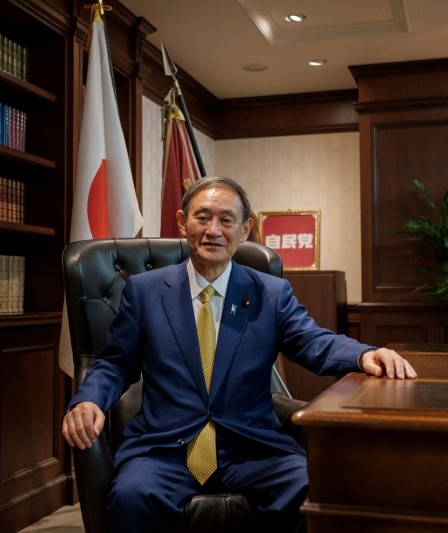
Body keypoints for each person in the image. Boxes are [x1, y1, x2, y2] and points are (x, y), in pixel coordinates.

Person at [62, 176, 417, 532]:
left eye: (226, 220)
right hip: (166, 449)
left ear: (245, 229)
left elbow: (312, 341)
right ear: (182, 221)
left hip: (250, 446)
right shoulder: (145, 291)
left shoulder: (270, 293)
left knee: (310, 489)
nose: (213, 230)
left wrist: (364, 356)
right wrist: (88, 400)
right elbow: (115, 362)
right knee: (130, 496)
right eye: (202, 217)